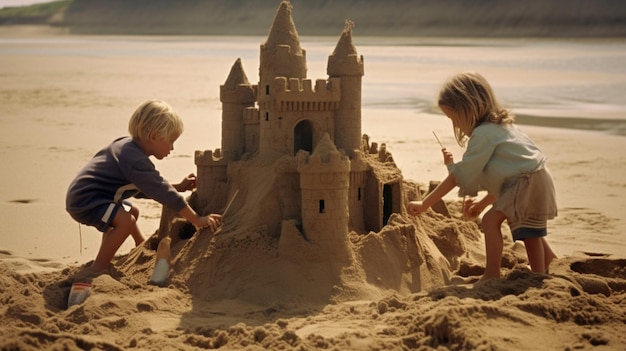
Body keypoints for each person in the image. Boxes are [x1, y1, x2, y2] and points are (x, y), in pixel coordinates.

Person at [408, 72, 558, 281]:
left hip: (526, 181)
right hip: (538, 177)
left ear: (468, 108)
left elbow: (458, 177)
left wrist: (424, 204)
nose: (456, 126)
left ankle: (508, 274)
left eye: (454, 118)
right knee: (530, 227)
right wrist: (482, 202)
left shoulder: (482, 134)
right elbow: (506, 177)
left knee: (495, 222)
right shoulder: (503, 126)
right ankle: (551, 262)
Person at [66, 100, 221, 274]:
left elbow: (145, 188)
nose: (172, 148)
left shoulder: (128, 147)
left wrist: (178, 186)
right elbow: (162, 192)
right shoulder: (135, 159)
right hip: (87, 199)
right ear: (154, 137)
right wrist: (197, 220)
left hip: (91, 196)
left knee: (132, 212)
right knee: (126, 221)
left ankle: (139, 245)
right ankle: (98, 268)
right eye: (171, 141)